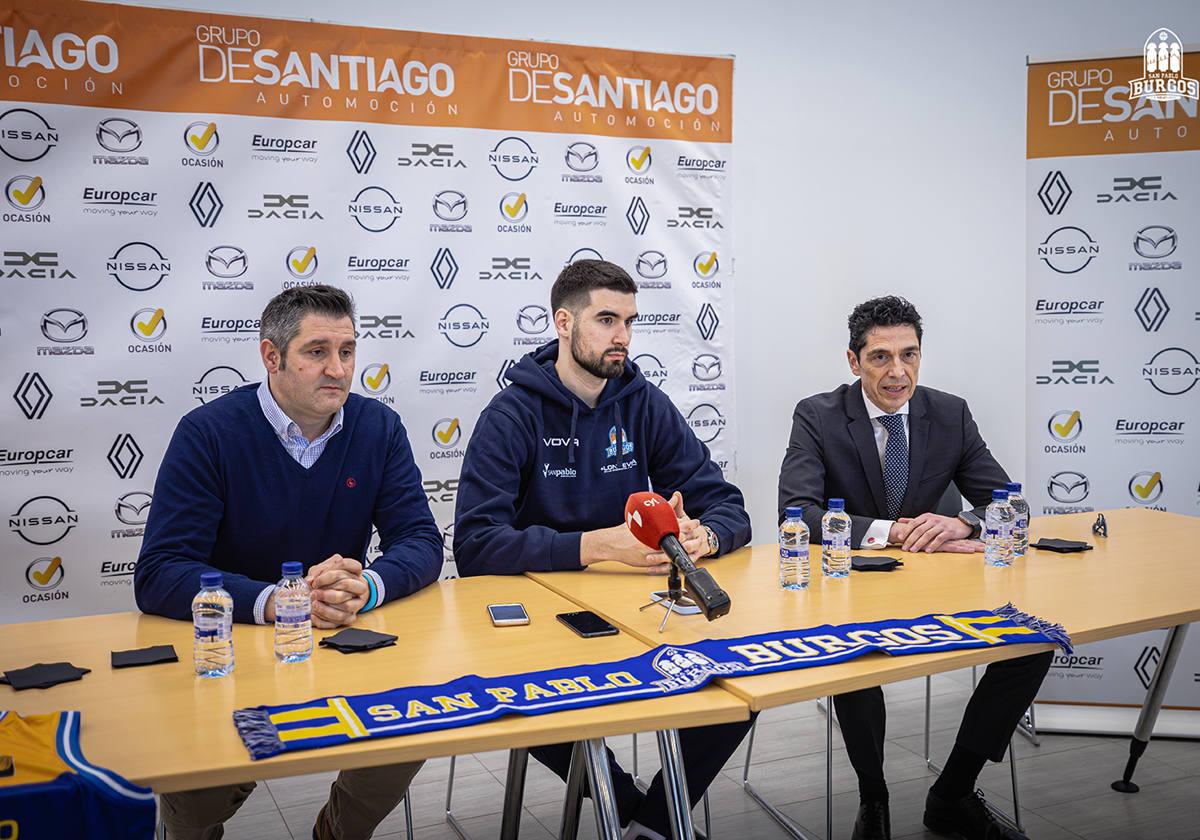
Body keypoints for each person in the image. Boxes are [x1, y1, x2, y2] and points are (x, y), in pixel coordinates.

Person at [454, 259, 753, 840]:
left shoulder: (643, 403)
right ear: (563, 323)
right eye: (607, 320)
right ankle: (620, 800)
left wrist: (705, 536)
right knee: (540, 698)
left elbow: (727, 503)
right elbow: (474, 544)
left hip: (639, 607)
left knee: (745, 675)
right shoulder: (511, 414)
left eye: (630, 322)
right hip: (540, 615)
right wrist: (594, 547)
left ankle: (657, 821)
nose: (622, 337)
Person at [134, 285, 441, 840]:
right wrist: (277, 602)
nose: (338, 369)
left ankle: (340, 832)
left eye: (347, 351)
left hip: (342, 640)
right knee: (195, 803)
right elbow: (160, 570)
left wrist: (367, 586)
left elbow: (420, 540)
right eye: (317, 352)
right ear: (271, 357)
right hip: (234, 649)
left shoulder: (378, 428)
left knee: (412, 727)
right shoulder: (208, 433)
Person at [777, 296, 1051, 840]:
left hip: (938, 585)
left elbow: (1010, 504)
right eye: (880, 357)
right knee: (855, 659)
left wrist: (966, 525)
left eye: (910, 355)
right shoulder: (818, 414)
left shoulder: (949, 413)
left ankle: (952, 792)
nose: (897, 372)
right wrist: (893, 531)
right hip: (852, 588)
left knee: (1034, 643)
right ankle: (872, 799)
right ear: (853, 362)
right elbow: (798, 514)